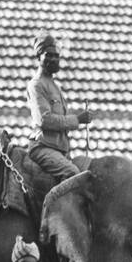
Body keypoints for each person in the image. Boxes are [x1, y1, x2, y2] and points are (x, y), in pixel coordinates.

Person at [26, 33, 93, 183]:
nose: (54, 59)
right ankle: (52, 207)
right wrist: (77, 119)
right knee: (72, 173)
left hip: (61, 151)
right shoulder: (36, 85)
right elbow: (45, 120)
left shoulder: (55, 87)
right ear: (39, 58)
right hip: (42, 148)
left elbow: (61, 121)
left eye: (56, 56)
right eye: (49, 55)